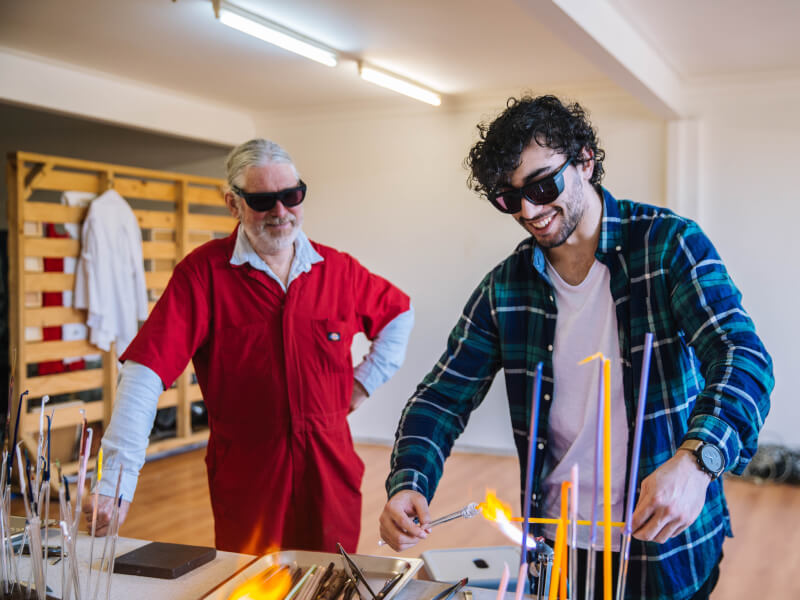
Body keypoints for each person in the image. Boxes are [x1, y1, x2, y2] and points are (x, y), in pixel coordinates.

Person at [379, 95, 772, 600]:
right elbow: (441, 396)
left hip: (665, 536)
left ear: (585, 160)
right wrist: (409, 480)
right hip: (556, 543)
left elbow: (742, 355)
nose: (530, 210)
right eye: (508, 198)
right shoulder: (505, 288)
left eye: (543, 185)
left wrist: (698, 462)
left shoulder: (667, 244)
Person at [84, 139, 413, 554]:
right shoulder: (203, 275)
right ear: (233, 203)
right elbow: (146, 370)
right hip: (249, 476)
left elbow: (399, 313)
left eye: (291, 196)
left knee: (334, 580)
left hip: (328, 472)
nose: (280, 212)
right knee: (250, 582)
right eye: (262, 200)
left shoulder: (338, 271)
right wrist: (116, 480)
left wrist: (363, 382)